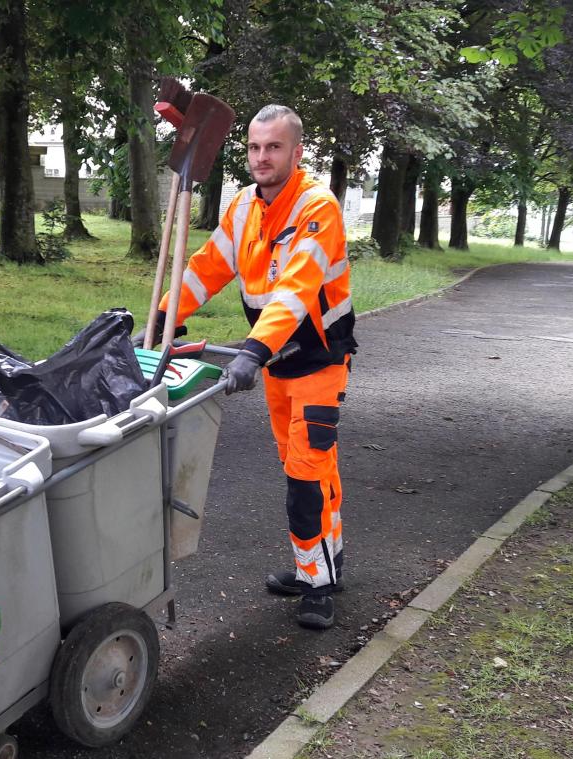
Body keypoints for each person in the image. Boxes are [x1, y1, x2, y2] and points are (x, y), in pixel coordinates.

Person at [143, 104, 356, 629]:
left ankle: (319, 583)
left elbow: (296, 291)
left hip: (317, 361)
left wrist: (251, 354)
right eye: (255, 148)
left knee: (307, 474)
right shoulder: (243, 207)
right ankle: (321, 564)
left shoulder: (315, 207)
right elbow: (206, 268)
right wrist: (165, 317)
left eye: (274, 147)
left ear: (296, 151)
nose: (262, 157)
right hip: (278, 363)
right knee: (305, 466)